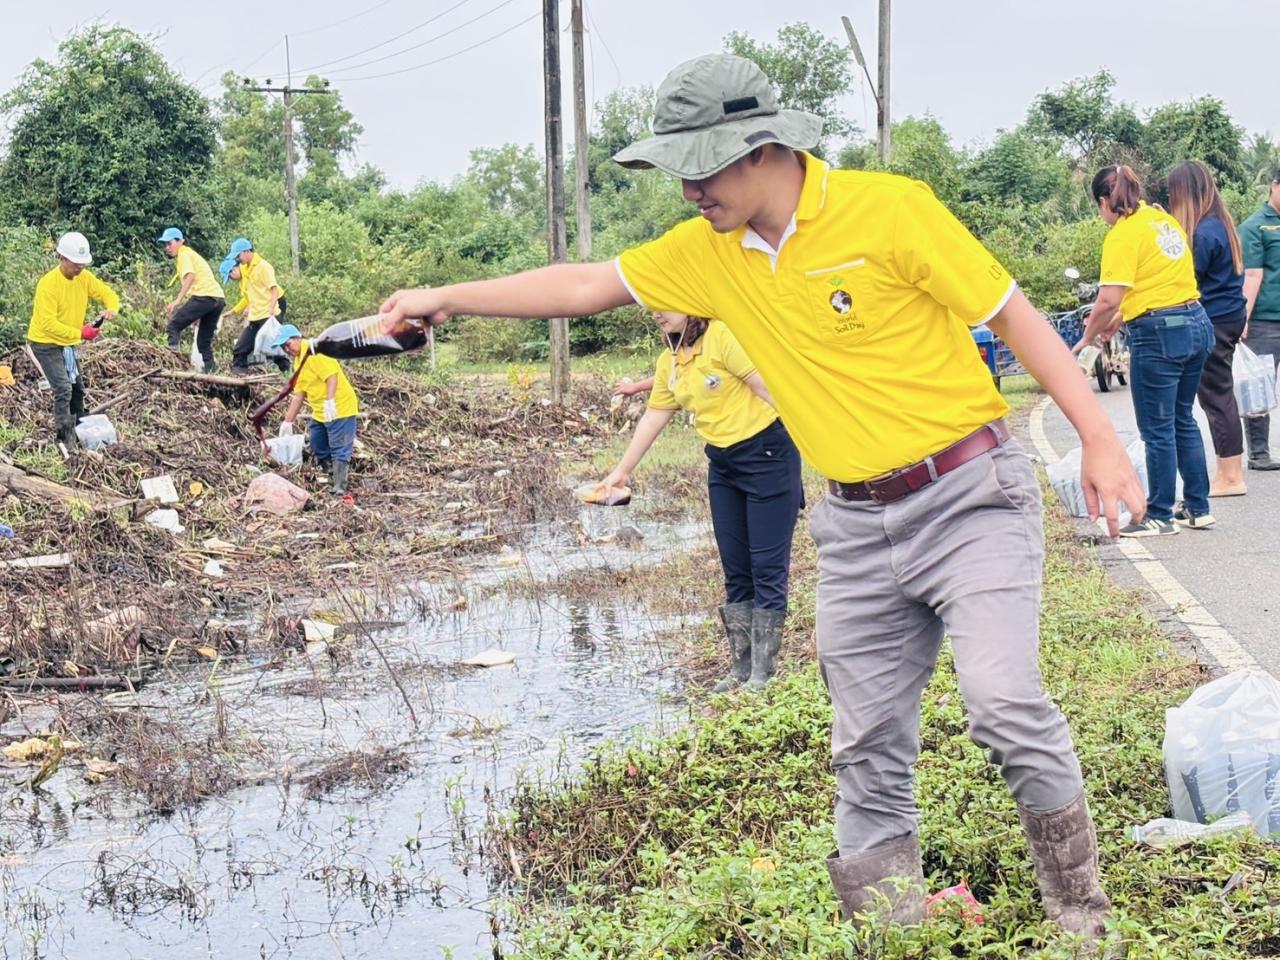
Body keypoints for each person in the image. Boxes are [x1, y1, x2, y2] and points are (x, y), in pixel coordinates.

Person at [377, 55, 1143, 940]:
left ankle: (1083, 916)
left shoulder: (890, 209)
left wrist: (1096, 436)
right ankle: (894, 927)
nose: (689, 187)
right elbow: (587, 284)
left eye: (701, 166)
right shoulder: (709, 251)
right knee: (864, 740)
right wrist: (447, 299)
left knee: (1002, 699)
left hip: (969, 492)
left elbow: (1015, 318)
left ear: (761, 146)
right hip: (855, 523)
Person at [599, 313, 803, 690]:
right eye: (652, 306)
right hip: (723, 464)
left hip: (768, 454)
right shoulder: (671, 361)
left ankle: (763, 674)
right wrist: (621, 471)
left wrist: (819, 435)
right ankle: (740, 668)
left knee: (766, 566)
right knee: (736, 569)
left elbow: (770, 389)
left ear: (690, 304)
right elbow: (655, 414)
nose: (657, 312)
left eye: (666, 304)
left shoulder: (724, 336)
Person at [1077, 165, 1213, 535]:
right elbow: (1157, 283)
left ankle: (1159, 514)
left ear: (1104, 202)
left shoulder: (1122, 235)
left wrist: (1088, 337)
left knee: (1157, 429)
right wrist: (1123, 316)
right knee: (1182, 418)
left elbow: (1106, 299)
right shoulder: (1159, 219)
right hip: (1196, 322)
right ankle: (1199, 507)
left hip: (1160, 335)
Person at [1167, 161, 1248, 496]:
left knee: (1216, 395)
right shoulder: (1220, 224)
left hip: (1214, 318)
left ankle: (1231, 476)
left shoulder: (1203, 233)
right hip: (1230, 314)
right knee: (1219, 393)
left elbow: (1187, 278)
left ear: (1186, 192)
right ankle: (1226, 470)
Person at [27, 232, 119, 448]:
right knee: (63, 388)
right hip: (45, 343)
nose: (80, 268)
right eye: (76, 264)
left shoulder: (84, 278)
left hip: (67, 343)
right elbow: (48, 324)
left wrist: (112, 308)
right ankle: (64, 439)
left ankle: (83, 427)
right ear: (63, 258)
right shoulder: (48, 285)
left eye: (83, 264)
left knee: (77, 387)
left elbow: (108, 294)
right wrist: (80, 334)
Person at [273, 323, 359, 495]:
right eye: (283, 347)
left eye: (287, 344)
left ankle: (340, 486)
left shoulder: (316, 351)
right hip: (320, 411)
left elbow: (331, 376)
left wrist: (330, 401)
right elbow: (299, 394)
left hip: (339, 407)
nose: (286, 350)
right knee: (317, 442)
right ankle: (330, 472)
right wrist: (287, 422)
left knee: (339, 446)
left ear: (297, 338)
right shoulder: (299, 361)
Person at [1239, 169, 1280, 470]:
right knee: (1259, 384)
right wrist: (1244, 317)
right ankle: (1258, 453)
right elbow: (1252, 275)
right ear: (1274, 186)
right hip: (1266, 319)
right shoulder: (1254, 226)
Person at [158, 227, 225, 373]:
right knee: (203, 341)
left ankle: (174, 365)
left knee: (173, 327)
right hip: (217, 299)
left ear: (180, 241)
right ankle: (211, 370)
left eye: (169, 243)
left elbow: (190, 276)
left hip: (204, 296)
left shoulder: (184, 254)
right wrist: (197, 314)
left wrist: (177, 300)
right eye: (165, 245)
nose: (167, 248)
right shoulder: (190, 254)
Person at [220, 237, 285, 374]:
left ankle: (289, 374)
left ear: (246, 251)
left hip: (267, 315)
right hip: (254, 317)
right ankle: (239, 377)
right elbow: (247, 296)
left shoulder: (263, 267)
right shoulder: (244, 268)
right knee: (240, 349)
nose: (238, 259)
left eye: (238, 256)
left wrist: (272, 308)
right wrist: (234, 311)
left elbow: (274, 289)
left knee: (274, 351)